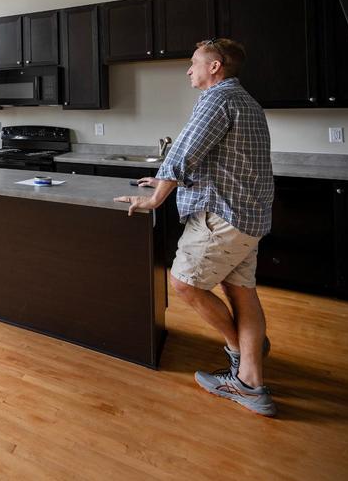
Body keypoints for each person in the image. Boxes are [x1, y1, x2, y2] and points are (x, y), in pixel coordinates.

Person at [114, 38, 276, 417]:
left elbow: (182, 156)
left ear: (215, 67)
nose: (189, 70)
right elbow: (215, 161)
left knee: (184, 283)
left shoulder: (216, 100)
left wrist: (155, 198)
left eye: (194, 63)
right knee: (242, 293)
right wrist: (163, 183)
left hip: (221, 217)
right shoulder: (247, 102)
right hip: (248, 217)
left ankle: (242, 359)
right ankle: (250, 374)